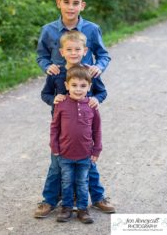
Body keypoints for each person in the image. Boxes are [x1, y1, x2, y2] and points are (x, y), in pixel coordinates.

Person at [34, 30, 115, 218]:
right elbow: (45, 94)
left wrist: (96, 99)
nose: (73, 53)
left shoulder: (90, 71)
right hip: (63, 127)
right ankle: (49, 201)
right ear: (62, 52)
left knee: (90, 167)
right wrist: (55, 98)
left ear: (84, 50)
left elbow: (102, 92)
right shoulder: (56, 72)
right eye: (69, 49)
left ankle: (97, 198)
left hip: (84, 127)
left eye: (77, 49)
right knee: (56, 166)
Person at [51, 65, 102, 224]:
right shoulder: (61, 104)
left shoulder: (92, 106)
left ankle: (82, 209)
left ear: (89, 86)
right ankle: (66, 208)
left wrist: (96, 149)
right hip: (65, 154)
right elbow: (54, 127)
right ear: (67, 86)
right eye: (74, 85)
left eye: (82, 86)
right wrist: (54, 147)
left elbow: (97, 130)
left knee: (82, 182)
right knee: (66, 182)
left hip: (85, 154)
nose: (78, 89)